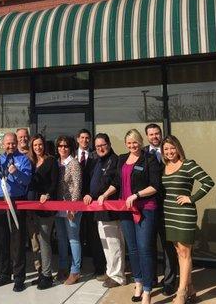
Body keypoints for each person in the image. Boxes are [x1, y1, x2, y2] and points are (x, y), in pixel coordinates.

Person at [161, 135, 215, 304]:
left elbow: (208, 182)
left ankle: (181, 292)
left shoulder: (188, 164)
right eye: (166, 149)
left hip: (184, 214)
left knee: (185, 252)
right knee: (179, 251)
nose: (170, 152)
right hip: (169, 214)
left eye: (172, 148)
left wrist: (191, 198)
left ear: (178, 148)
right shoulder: (165, 166)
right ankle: (190, 287)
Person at [114, 129, 161, 304]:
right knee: (132, 249)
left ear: (140, 142)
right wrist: (104, 194)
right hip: (126, 210)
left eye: (135, 142)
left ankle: (148, 290)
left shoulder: (149, 159)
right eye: (129, 143)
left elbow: (155, 186)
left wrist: (136, 195)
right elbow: (116, 182)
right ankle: (138, 282)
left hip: (145, 209)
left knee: (144, 248)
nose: (132, 146)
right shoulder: (121, 159)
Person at [0, 132, 32, 292]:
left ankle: (19, 277)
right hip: (0, 202)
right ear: (3, 144)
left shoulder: (24, 159)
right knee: (2, 239)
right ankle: (4, 274)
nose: (11, 146)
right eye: (8, 143)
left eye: (13, 143)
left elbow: (27, 181)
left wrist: (16, 172)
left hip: (17, 202)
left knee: (18, 241)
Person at [83, 133, 126, 289]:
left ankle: (118, 276)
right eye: (98, 146)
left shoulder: (115, 160)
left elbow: (111, 182)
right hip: (98, 209)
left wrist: (99, 194)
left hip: (111, 210)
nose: (100, 148)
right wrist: (89, 194)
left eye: (103, 145)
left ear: (109, 144)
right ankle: (111, 271)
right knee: (106, 244)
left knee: (114, 244)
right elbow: (93, 183)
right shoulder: (97, 162)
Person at [144, 123, 178, 296]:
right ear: (147, 136)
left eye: (157, 133)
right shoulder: (142, 153)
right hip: (148, 207)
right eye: (151, 134)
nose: (154, 136)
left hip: (166, 206)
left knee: (167, 246)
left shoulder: (169, 152)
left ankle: (170, 280)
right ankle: (150, 279)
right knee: (148, 245)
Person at [27, 134, 59, 290]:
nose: (38, 147)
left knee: (45, 241)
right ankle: (41, 273)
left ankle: (47, 276)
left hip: (46, 207)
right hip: (32, 208)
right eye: (35, 145)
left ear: (44, 145)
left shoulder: (51, 161)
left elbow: (55, 183)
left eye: (40, 145)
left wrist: (47, 195)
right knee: (36, 243)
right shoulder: (31, 163)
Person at [76, 128, 106, 280]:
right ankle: (77, 267)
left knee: (94, 235)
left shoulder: (96, 156)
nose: (85, 140)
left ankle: (99, 267)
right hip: (75, 203)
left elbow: (98, 179)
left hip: (92, 201)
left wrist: (91, 194)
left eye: (87, 138)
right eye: (82, 137)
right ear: (77, 139)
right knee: (77, 235)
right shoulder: (71, 155)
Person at [55, 135, 83, 285]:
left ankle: (75, 270)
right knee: (61, 239)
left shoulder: (73, 163)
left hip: (71, 208)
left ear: (70, 148)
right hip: (58, 207)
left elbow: (77, 187)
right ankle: (63, 267)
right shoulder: (57, 163)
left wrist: (73, 207)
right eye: (60, 146)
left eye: (65, 146)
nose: (62, 148)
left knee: (73, 239)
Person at [17, 127, 41, 275]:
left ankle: (38, 267)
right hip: (17, 201)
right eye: (20, 137)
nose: (23, 139)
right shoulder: (11, 155)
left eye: (25, 136)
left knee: (34, 237)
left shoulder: (34, 155)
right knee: (17, 236)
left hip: (31, 200)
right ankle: (19, 268)